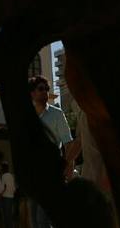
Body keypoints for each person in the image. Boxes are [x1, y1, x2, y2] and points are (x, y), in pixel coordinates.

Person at [28, 75, 80, 228]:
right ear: (32, 93)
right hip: (33, 176)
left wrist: (68, 168)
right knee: (35, 220)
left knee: (43, 219)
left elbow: (68, 144)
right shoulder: (27, 116)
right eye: (41, 89)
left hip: (52, 173)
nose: (45, 92)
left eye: (47, 89)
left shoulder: (57, 114)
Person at [0, 162, 17, 228]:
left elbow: (3, 188)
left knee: (6, 216)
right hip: (11, 197)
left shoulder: (3, 176)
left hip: (5, 197)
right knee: (9, 216)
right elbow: (14, 188)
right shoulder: (12, 176)